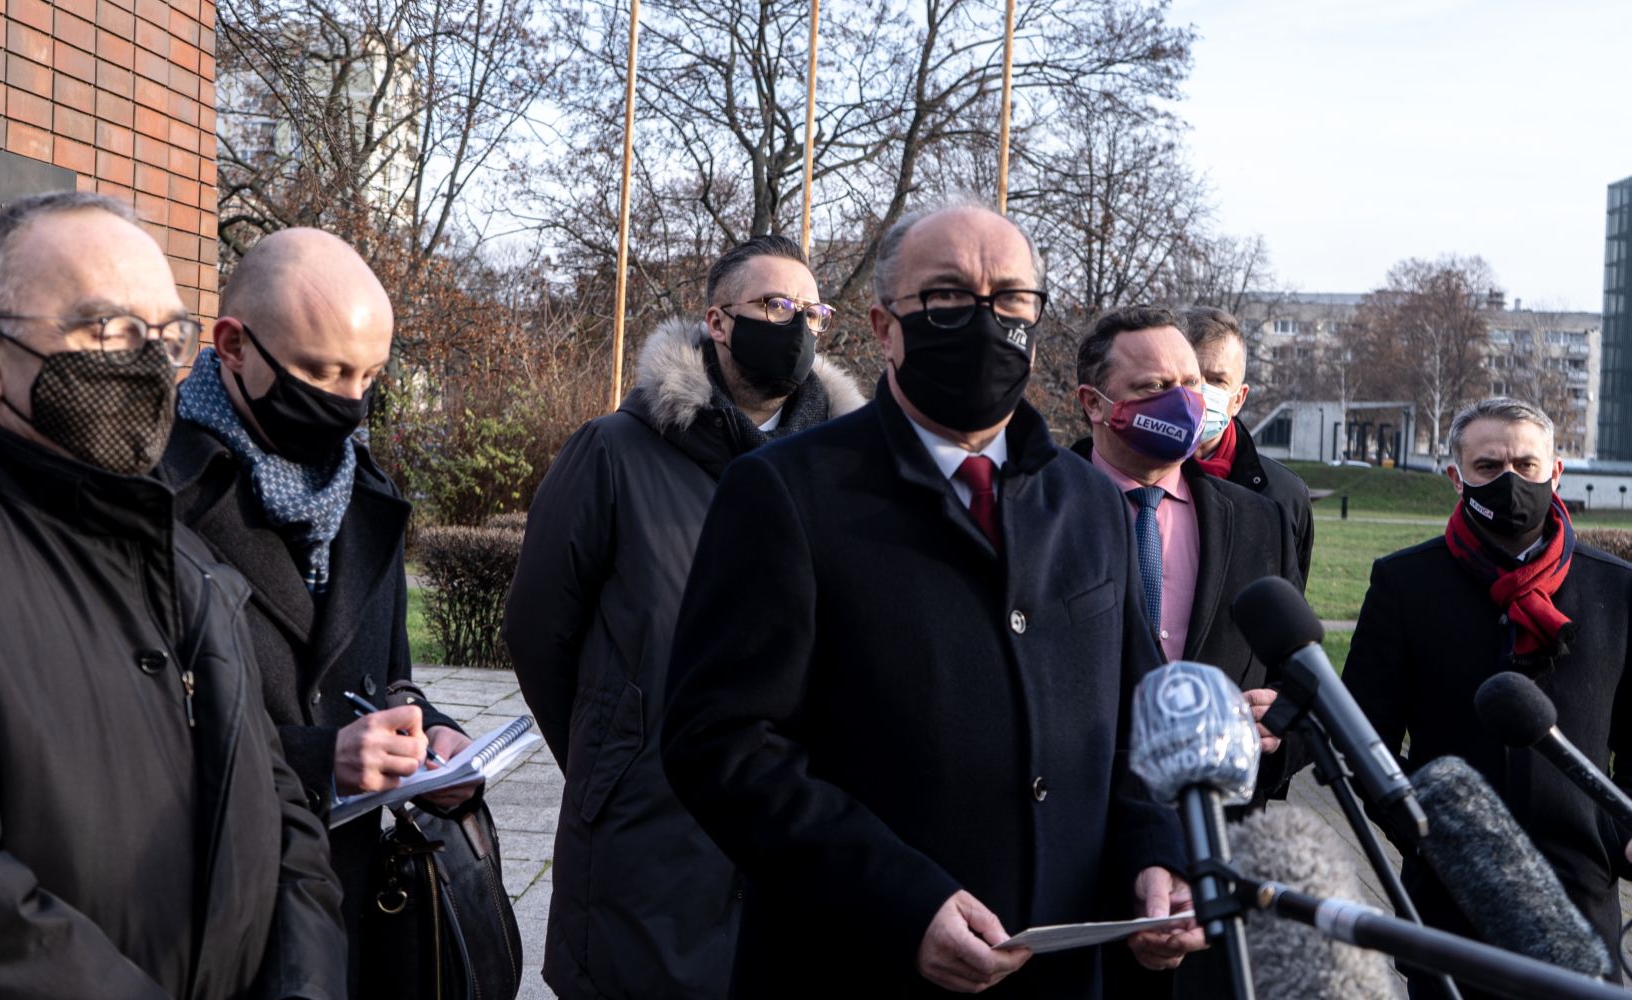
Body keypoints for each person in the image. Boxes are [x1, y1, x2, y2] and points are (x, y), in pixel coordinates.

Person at [660, 200, 1202, 997]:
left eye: (1010, 299)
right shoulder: (783, 491)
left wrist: (1154, 854)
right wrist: (898, 902)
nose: (985, 321)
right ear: (884, 328)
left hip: (1059, 971)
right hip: (857, 965)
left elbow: (1135, 720)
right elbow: (720, 745)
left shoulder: (1087, 501)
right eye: (947, 296)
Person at [0, 192, 346, 997]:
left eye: (165, 335)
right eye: (106, 329)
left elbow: (284, 825)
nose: (146, 364)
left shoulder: (185, 559)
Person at [503, 234, 866, 998]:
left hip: (795, 831)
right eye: (774, 305)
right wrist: (616, 754)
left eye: (812, 312)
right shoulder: (613, 451)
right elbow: (539, 631)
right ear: (718, 322)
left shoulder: (843, 472)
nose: (796, 326)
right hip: (646, 835)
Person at [155, 228, 473, 995]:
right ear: (233, 345)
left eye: (369, 376)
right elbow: (114, 728)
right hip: (202, 921)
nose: (349, 403)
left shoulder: (367, 492)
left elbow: (386, 676)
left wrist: (432, 739)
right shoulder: (150, 496)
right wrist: (316, 759)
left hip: (347, 908)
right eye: (323, 372)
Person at [1345, 397, 1632, 997]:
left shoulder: (1616, 587)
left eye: (1526, 465)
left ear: (1556, 472)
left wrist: (1615, 833)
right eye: (1488, 466)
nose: (1510, 480)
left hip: (1580, 890)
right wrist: (1427, 832)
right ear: (1456, 477)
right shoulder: (1404, 583)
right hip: (1450, 898)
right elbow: (1362, 736)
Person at [1072, 305, 1303, 1000]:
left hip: (1213, 869)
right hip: (1073, 864)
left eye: (1191, 383)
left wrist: (1281, 726)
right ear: (1093, 402)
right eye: (1153, 387)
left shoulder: (1258, 519)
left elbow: (1294, 682)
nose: (1181, 401)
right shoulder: (1037, 506)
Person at [1177, 306, 1314, 582]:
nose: (1201, 391)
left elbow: (1286, 596)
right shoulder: (1136, 473)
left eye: (1217, 380)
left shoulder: (1284, 494)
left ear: (1238, 399)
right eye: (1191, 378)